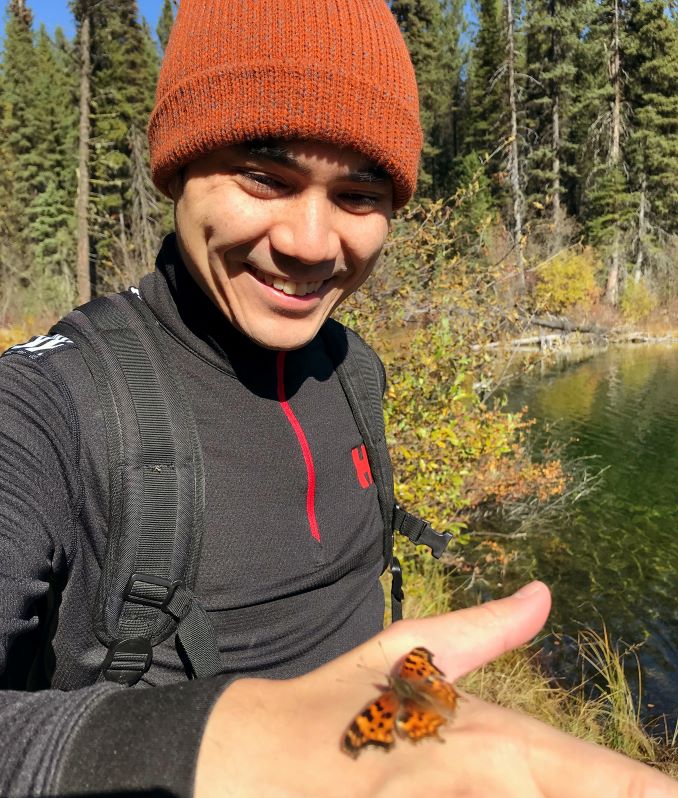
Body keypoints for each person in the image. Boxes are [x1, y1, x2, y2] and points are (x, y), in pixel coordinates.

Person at [0, 1, 675, 796]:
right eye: (264, 177)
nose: (312, 244)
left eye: (358, 195)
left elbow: (357, 651)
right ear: (175, 167)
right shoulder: (48, 405)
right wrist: (243, 752)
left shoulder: (354, 369)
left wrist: (413, 728)